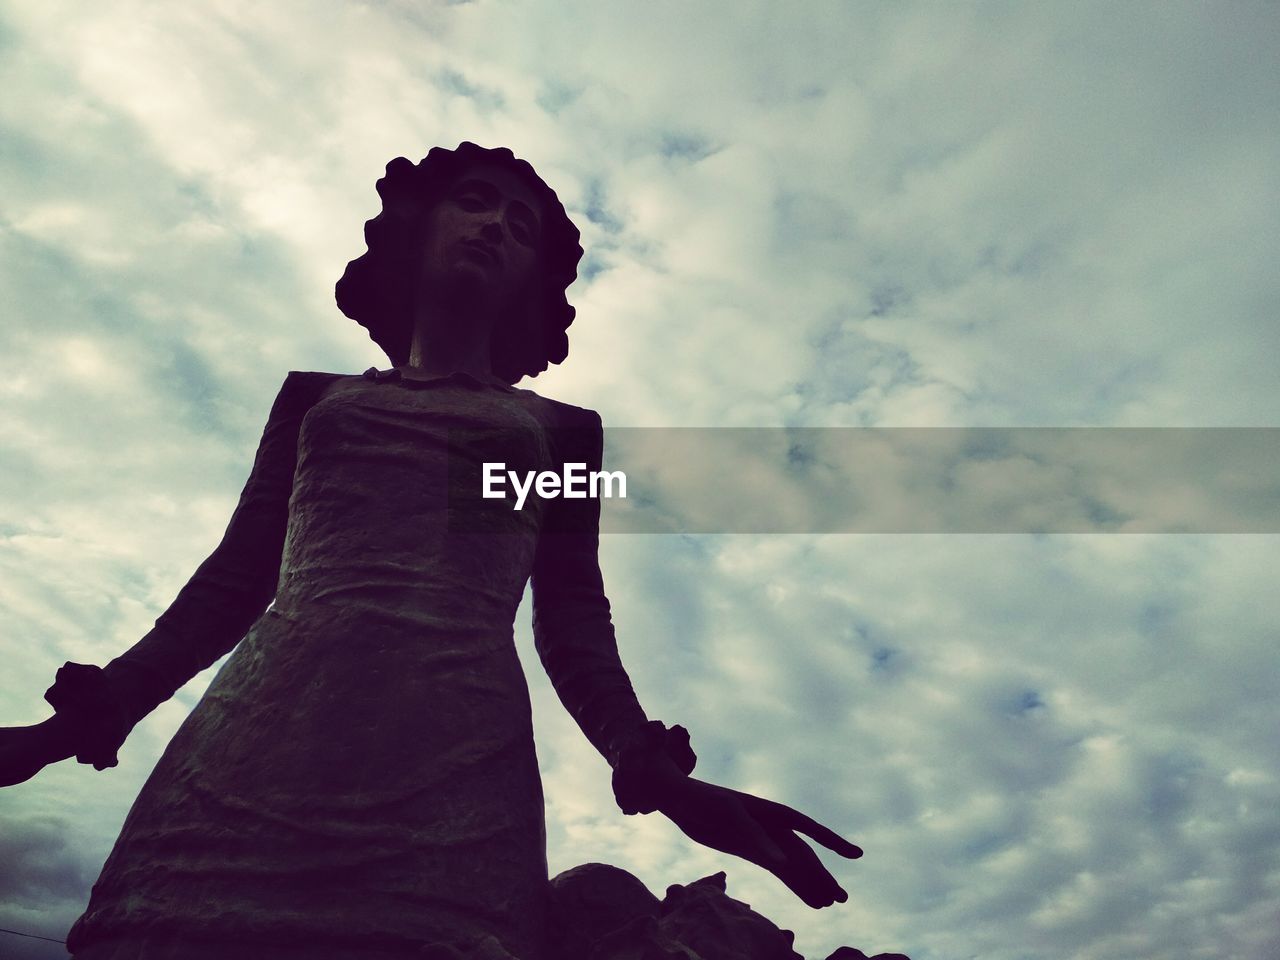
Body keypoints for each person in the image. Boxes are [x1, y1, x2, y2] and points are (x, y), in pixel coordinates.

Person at [0, 142, 862, 959]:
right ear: (416, 227)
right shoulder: (313, 400)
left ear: (536, 278)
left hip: (454, 754)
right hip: (261, 733)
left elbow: (569, 618)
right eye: (475, 203)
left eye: (521, 227)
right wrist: (76, 721)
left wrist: (647, 760)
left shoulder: (560, 433)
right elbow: (232, 582)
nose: (494, 227)